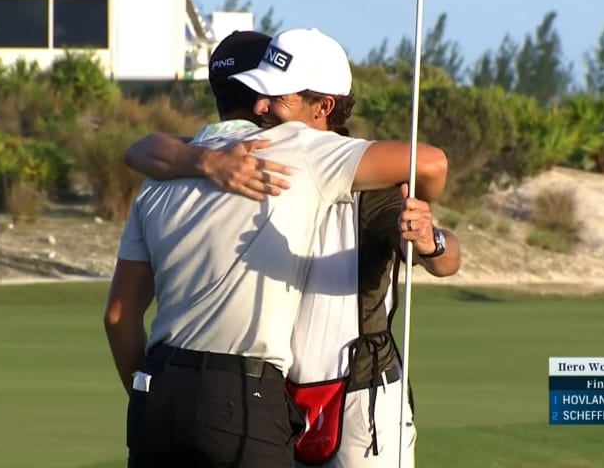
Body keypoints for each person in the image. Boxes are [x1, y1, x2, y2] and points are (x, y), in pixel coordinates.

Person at [104, 28, 449, 468]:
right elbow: (432, 161)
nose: (266, 106)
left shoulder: (164, 169)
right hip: (242, 398)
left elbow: (118, 316)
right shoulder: (299, 150)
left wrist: (149, 392)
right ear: (253, 92)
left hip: (157, 393)